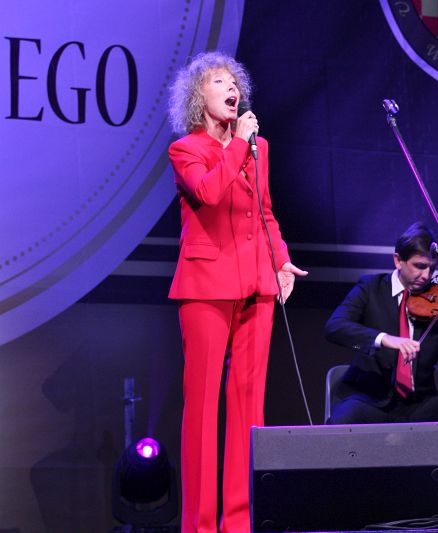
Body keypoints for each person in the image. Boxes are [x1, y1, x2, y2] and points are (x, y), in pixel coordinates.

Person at [167, 51, 307, 533]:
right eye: (218, 81)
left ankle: (241, 520)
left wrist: (280, 259)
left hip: (256, 283)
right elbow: (208, 193)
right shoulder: (186, 149)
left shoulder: (257, 147)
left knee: (249, 405)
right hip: (206, 285)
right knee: (203, 407)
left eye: (233, 81)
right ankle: (201, 525)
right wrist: (238, 146)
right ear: (198, 96)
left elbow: (264, 212)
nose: (231, 88)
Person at [324, 222, 438, 492]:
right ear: (398, 260)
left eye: (431, 268)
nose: (426, 275)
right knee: (344, 420)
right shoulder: (370, 288)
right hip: (369, 398)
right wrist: (384, 338)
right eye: (419, 266)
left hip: (418, 404)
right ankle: (344, 501)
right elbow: (334, 327)